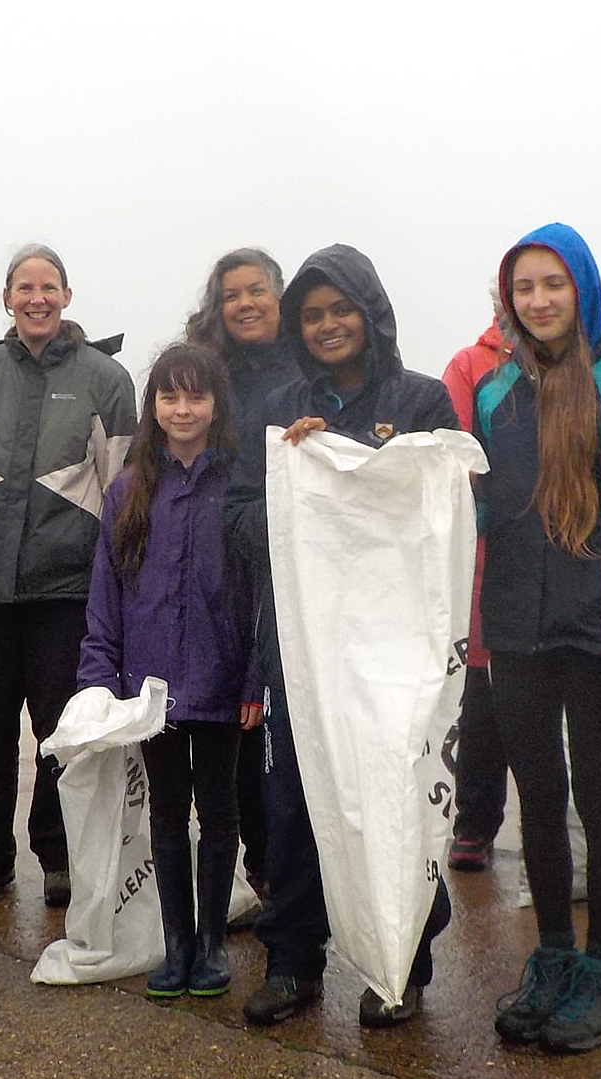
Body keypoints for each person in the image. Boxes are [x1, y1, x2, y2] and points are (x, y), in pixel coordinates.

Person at [226, 244, 458, 1029]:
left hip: (395, 652)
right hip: (304, 649)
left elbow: (454, 512)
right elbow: (237, 518)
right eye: (312, 314)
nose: (327, 325)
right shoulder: (275, 409)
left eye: (340, 309)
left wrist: (365, 471)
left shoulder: (424, 401)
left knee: (389, 798)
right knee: (294, 803)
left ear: (370, 312)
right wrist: (300, 484)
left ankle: (403, 961)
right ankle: (292, 961)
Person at [475, 223, 601, 1054]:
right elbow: (475, 509)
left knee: (597, 792)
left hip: (599, 629)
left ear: (582, 287)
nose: (538, 300)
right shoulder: (496, 393)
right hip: (517, 626)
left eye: (552, 283)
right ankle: (553, 958)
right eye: (523, 288)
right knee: (538, 795)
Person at [0, 244, 136, 910]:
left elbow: (122, 493)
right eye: (24, 287)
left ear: (67, 297)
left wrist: (120, 592)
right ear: (8, 298)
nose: (36, 298)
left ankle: (58, 855)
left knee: (60, 733)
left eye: (48, 287)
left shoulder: (106, 378)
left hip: (65, 592)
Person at [78, 343, 255, 999]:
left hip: (221, 682)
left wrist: (252, 681)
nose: (182, 409)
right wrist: (100, 679)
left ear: (216, 404)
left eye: (195, 396)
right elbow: (107, 595)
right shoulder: (127, 488)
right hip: (150, 690)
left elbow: (260, 596)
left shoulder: (239, 482)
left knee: (219, 811)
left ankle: (212, 945)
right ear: (153, 405)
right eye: (169, 396)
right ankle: (175, 946)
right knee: (165, 815)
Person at [183, 248, 302, 903]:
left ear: (279, 298)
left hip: (285, 564)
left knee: (275, 723)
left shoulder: (306, 369)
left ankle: (278, 865)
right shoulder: (206, 372)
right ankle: (248, 866)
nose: (246, 303)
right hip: (216, 557)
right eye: (233, 295)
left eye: (258, 290)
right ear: (217, 307)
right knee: (228, 716)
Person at [440, 289, 514, 873]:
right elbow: (453, 457)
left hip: (559, 557)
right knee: (482, 696)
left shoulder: (584, 362)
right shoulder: (469, 366)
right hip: (488, 552)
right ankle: (475, 821)